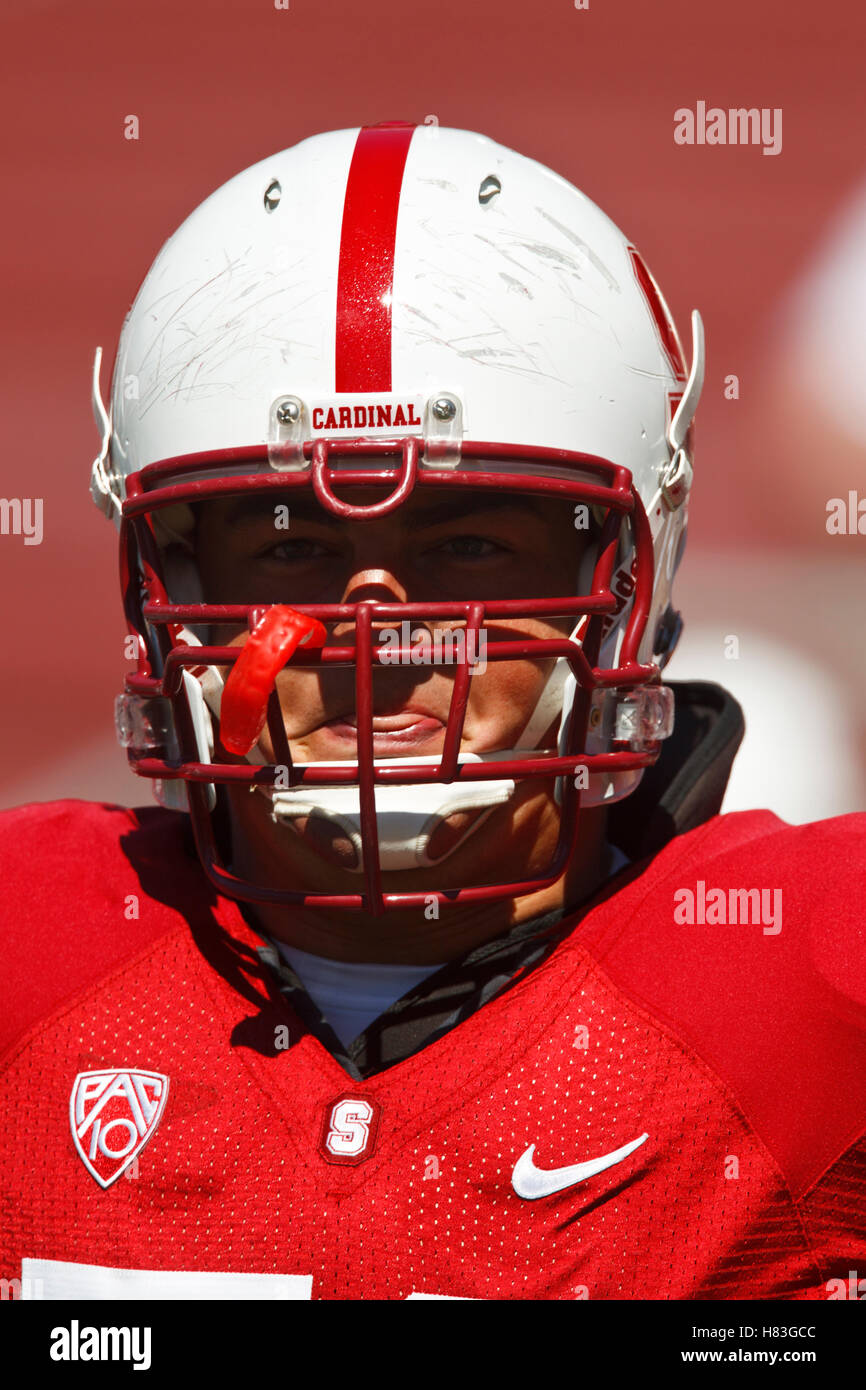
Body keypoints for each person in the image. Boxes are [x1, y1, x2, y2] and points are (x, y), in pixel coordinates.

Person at [1, 122, 862, 1302]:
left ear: (629, 579)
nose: (376, 632)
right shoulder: (28, 960)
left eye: (466, 541)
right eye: (291, 546)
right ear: (175, 589)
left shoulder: (801, 983)